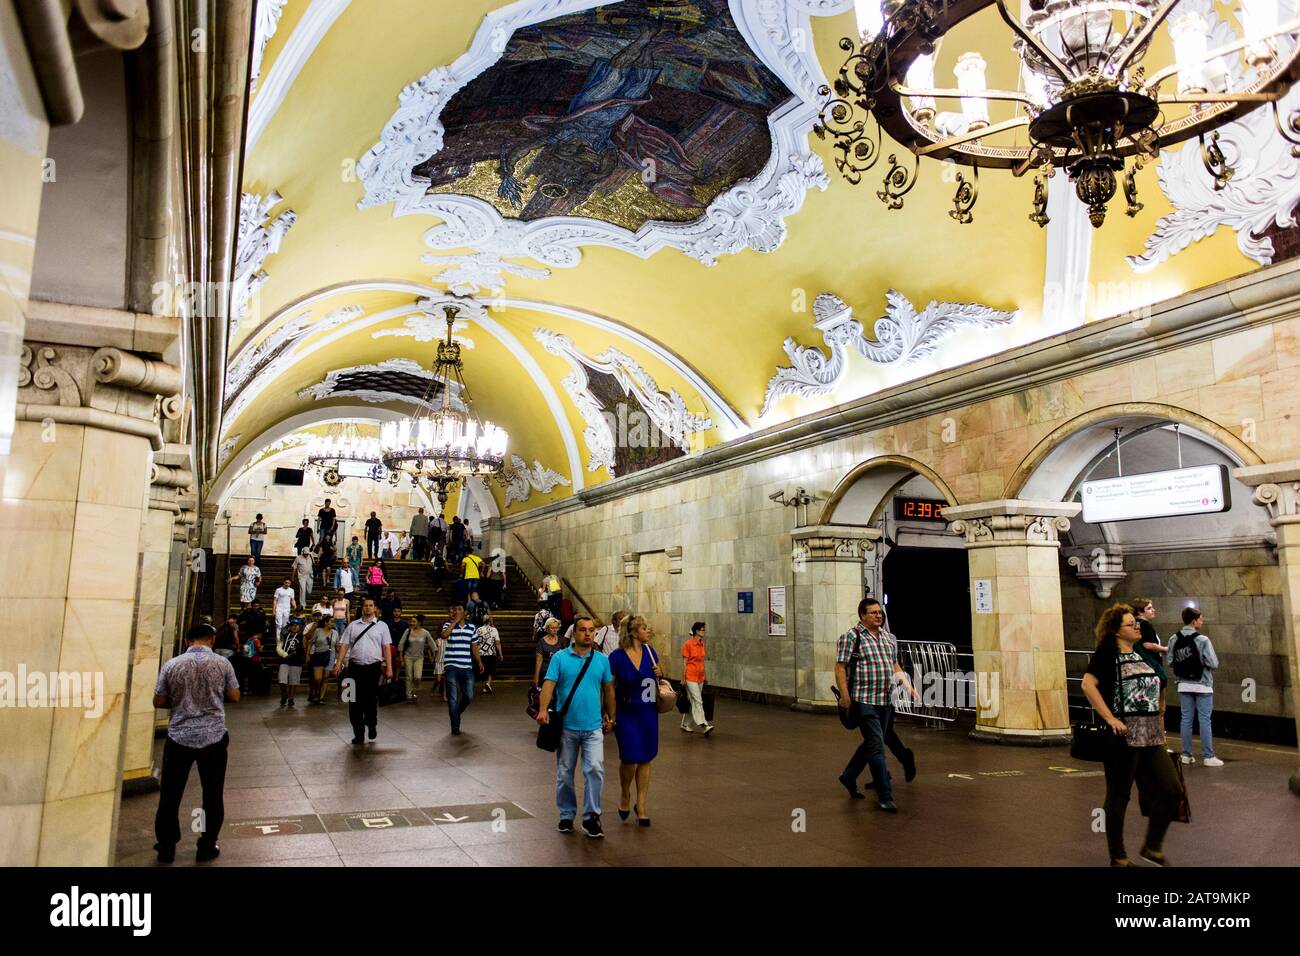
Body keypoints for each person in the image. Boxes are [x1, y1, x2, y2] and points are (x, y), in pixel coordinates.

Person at [1082, 603, 1185, 866]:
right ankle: (1118, 857)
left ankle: (1152, 847)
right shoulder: (1108, 652)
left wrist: (1161, 705)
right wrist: (1109, 717)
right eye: (1131, 624)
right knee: (1119, 796)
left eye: (1136, 623)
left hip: (1152, 734)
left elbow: (1159, 678)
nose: (1137, 627)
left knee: (1172, 790)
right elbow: (1088, 684)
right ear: (1116, 630)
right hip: (1124, 734)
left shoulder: (1139, 651)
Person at [152, 622, 239, 863]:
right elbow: (234, 696)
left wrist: (181, 703)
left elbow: (158, 701)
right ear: (211, 640)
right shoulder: (223, 664)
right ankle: (206, 845)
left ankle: (167, 846)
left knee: (170, 794)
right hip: (213, 737)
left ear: (188, 641)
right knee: (212, 794)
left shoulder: (172, 664)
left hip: (179, 737)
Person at [834, 598, 919, 813]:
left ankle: (849, 775)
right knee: (876, 747)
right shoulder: (852, 637)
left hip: (884, 700)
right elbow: (840, 667)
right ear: (862, 615)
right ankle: (885, 795)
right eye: (873, 613)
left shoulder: (887, 638)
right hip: (864, 700)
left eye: (880, 612)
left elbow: (894, 664)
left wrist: (908, 686)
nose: (878, 616)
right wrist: (845, 695)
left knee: (874, 742)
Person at [537, 615, 615, 838]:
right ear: (575, 633)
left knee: (595, 769)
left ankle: (591, 817)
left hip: (593, 728)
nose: (588, 634)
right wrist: (543, 709)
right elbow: (549, 684)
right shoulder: (560, 658)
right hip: (567, 728)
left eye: (591, 630)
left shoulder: (601, 660)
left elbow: (609, 689)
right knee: (565, 772)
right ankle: (566, 814)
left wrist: (612, 716)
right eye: (583, 630)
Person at [606, 615, 664, 826]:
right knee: (630, 757)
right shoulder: (617, 657)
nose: (648, 631)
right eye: (644, 628)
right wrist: (608, 713)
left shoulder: (650, 652)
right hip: (626, 712)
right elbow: (609, 686)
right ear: (633, 632)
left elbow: (658, 678)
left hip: (648, 712)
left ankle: (641, 804)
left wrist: (661, 672)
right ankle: (624, 794)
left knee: (646, 758)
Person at [1166, 607, 1222, 767]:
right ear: (1194, 620)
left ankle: (1186, 754)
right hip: (1202, 684)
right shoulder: (1203, 640)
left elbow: (1170, 661)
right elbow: (1214, 663)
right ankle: (1208, 756)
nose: (1202, 622)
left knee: (1186, 720)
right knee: (1204, 720)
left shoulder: (1173, 638)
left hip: (1183, 684)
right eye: (1201, 619)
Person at [334, 597, 394, 745]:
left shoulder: (382, 626)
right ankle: (358, 734)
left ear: (375, 609)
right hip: (354, 668)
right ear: (362, 608)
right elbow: (344, 645)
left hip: (373, 668)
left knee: (370, 699)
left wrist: (389, 667)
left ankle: (371, 724)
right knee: (353, 700)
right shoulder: (353, 626)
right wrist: (339, 663)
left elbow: (386, 647)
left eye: (370, 605)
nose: (367, 608)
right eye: (365, 605)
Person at [440, 604, 482, 735]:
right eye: (455, 609)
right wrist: (455, 622)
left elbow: (474, 646)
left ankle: (456, 713)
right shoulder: (448, 625)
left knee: (469, 695)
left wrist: (479, 661)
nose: (456, 611)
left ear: (465, 613)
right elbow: (444, 636)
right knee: (452, 697)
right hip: (451, 665)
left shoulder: (471, 628)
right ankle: (455, 725)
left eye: (459, 610)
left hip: (466, 665)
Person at [680, 621, 715, 736]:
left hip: (699, 677)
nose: (704, 631)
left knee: (693, 701)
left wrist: (705, 676)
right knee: (698, 701)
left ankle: (685, 724)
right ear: (696, 631)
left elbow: (702, 662)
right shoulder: (688, 644)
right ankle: (704, 725)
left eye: (704, 630)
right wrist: (683, 678)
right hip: (690, 676)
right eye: (702, 630)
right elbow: (685, 663)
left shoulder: (702, 644)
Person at [399, 613, 433, 702]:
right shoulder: (407, 631)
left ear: (419, 623)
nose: (412, 623)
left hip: (419, 658)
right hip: (408, 657)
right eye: (411, 621)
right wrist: (401, 658)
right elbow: (401, 644)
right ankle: (409, 695)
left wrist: (433, 655)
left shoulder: (425, 632)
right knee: (408, 677)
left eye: (414, 621)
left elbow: (433, 645)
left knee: (418, 677)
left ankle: (414, 690)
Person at [276, 617, 306, 708]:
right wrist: (283, 654)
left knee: (294, 682)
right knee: (282, 680)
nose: (295, 627)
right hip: (285, 660)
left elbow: (304, 646)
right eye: (293, 625)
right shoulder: (284, 635)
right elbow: (279, 646)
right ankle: (284, 694)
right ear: (290, 626)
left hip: (296, 661)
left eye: (297, 625)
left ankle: (291, 698)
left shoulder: (301, 636)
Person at [306, 612, 333, 705]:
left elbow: (337, 646)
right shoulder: (318, 631)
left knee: (325, 678)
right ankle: (316, 692)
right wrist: (307, 654)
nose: (332, 623)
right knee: (318, 678)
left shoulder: (335, 632)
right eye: (331, 622)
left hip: (329, 657)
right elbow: (310, 642)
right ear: (326, 622)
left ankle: (321, 698)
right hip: (318, 655)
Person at [535, 618, 565, 690]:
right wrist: (536, 678)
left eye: (556, 628)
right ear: (547, 628)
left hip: (559, 673)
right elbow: (538, 661)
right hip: (546, 673)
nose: (555, 630)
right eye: (552, 628)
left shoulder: (562, 641)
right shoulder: (541, 642)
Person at [476, 611, 502, 694]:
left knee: (483, 670)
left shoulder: (478, 630)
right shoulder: (494, 630)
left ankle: (484, 687)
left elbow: (475, 643)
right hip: (491, 653)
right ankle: (488, 683)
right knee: (491, 670)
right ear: (490, 621)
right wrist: (500, 654)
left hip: (481, 653)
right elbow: (497, 643)